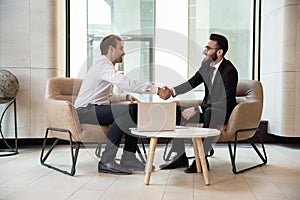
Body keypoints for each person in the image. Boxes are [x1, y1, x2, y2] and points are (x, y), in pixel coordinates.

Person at [75, 34, 165, 175]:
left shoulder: (106, 67)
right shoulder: (102, 65)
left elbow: (105, 96)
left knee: (133, 109)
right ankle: (106, 161)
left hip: (95, 108)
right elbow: (125, 82)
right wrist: (156, 90)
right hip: (85, 111)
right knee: (127, 110)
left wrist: (126, 96)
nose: (124, 52)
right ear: (111, 49)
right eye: (121, 48)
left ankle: (128, 157)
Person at [158, 33, 238, 173]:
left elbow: (225, 102)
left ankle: (200, 159)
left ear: (219, 52)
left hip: (223, 111)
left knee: (209, 113)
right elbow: (192, 82)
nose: (204, 51)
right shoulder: (206, 65)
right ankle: (180, 156)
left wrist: (197, 109)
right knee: (178, 112)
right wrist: (172, 91)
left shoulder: (229, 71)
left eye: (208, 48)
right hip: (207, 109)